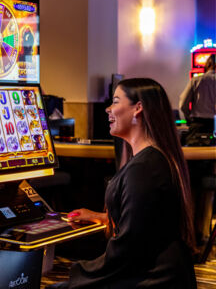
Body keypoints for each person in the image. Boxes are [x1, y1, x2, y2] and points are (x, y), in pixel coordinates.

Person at [47, 78, 197, 288]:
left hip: (151, 277)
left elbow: (128, 249)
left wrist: (78, 274)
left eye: (116, 101)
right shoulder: (152, 159)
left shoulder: (145, 168)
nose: (108, 109)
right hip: (158, 272)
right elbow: (146, 224)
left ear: (138, 108)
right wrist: (102, 218)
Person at [179, 54, 216, 145]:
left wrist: (189, 118)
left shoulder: (196, 80)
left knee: (195, 155)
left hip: (198, 124)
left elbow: (183, 104)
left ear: (207, 65)